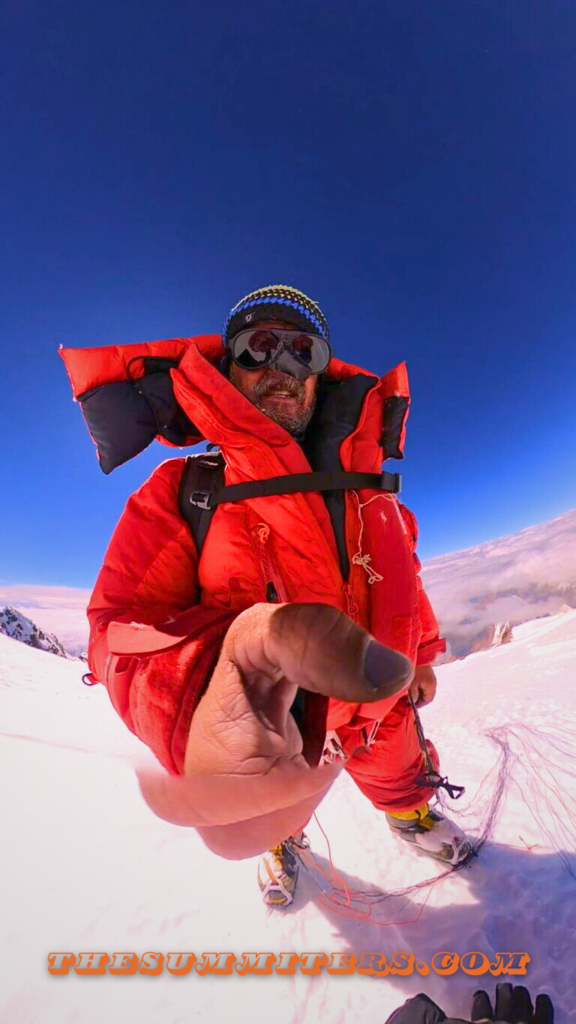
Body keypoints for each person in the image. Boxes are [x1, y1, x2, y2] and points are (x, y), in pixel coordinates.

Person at [83, 284, 471, 907]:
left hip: (383, 701)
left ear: (321, 375)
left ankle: (412, 818)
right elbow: (116, 632)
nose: (281, 366)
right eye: (257, 347)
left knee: (402, 771)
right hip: (280, 729)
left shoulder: (374, 494)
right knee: (272, 801)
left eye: (303, 351)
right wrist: (201, 695)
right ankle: (279, 842)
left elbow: (405, 578)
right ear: (226, 367)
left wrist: (422, 652)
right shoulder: (183, 491)